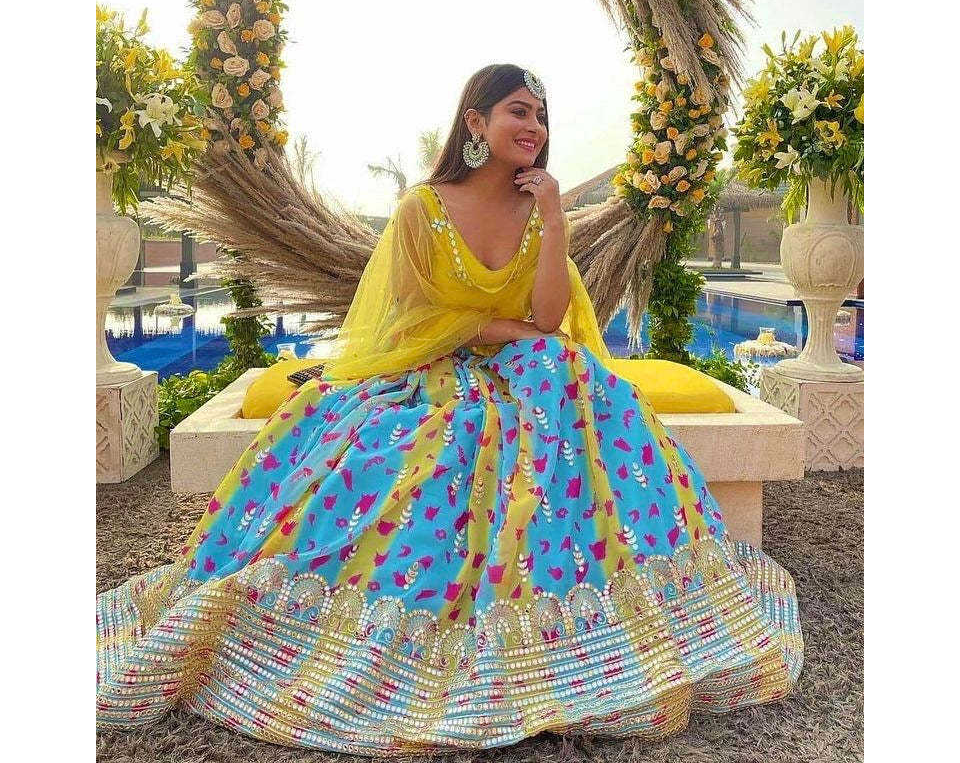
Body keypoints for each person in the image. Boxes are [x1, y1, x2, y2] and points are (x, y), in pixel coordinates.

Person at [97, 64, 803, 753]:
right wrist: (496, 331)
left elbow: (548, 319)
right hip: (431, 365)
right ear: (475, 121)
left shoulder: (538, 211)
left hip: (522, 365)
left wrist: (554, 218)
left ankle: (591, 611)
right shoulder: (422, 210)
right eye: (518, 111)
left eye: (541, 115)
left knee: (571, 376)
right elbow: (410, 318)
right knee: (444, 434)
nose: (534, 126)